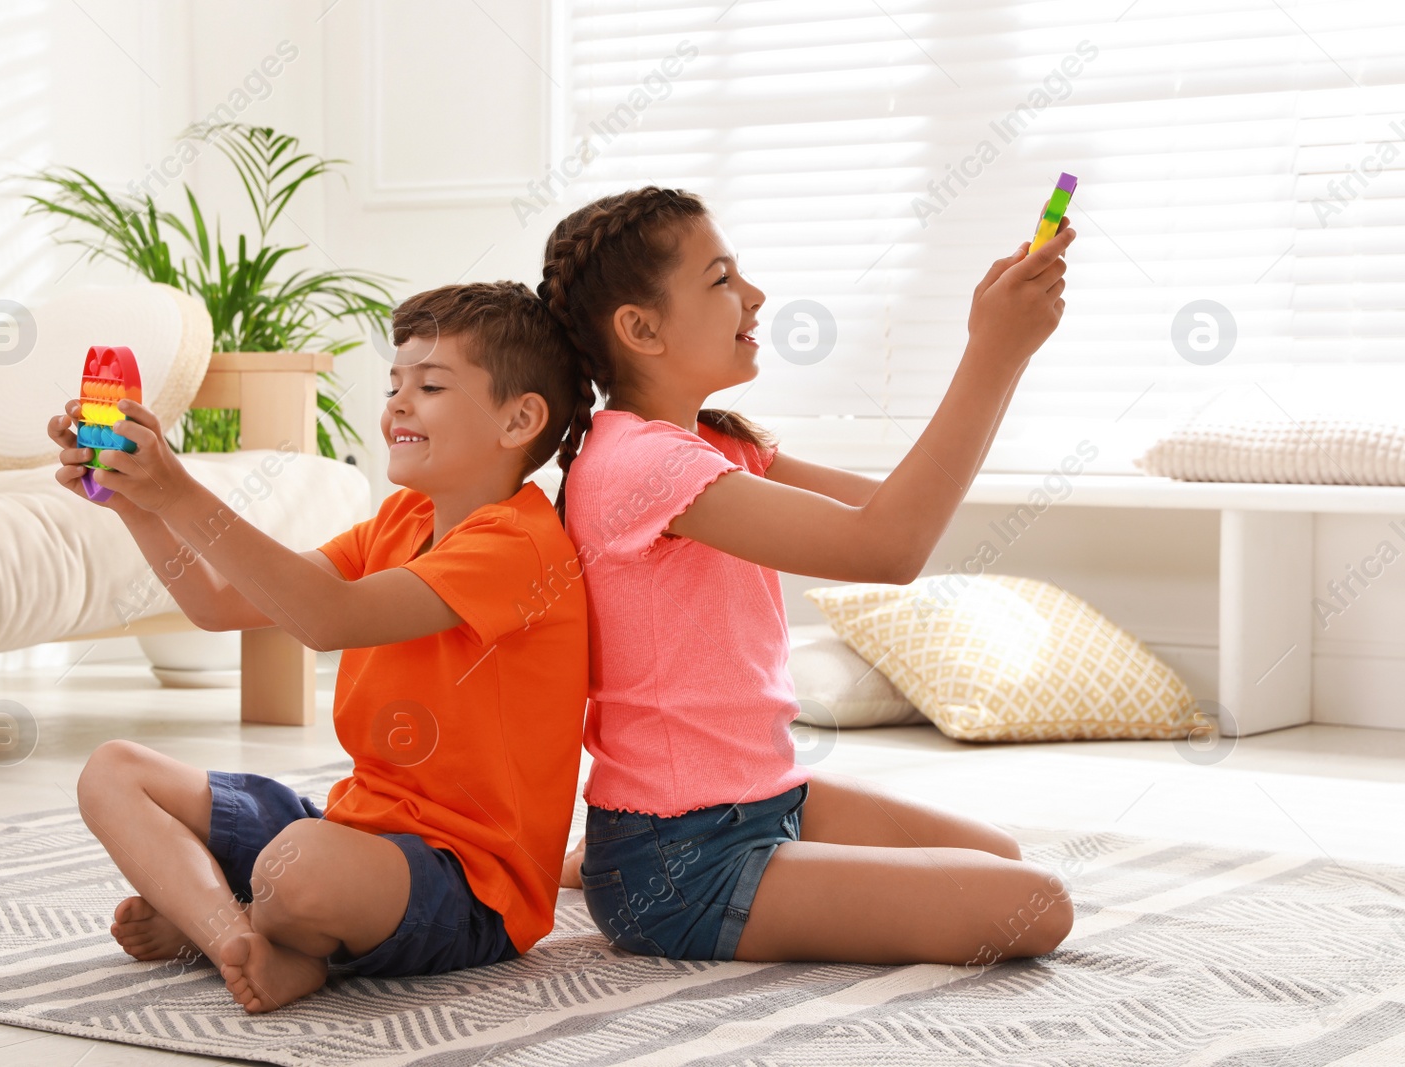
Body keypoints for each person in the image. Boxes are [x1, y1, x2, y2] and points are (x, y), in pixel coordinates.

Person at [541, 186, 1077, 968]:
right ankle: (616, 866)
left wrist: (1000, 346)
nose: (754, 296)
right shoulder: (637, 464)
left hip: (767, 799)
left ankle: (598, 859)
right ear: (639, 327)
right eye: (722, 279)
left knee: (1002, 857)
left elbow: (897, 511)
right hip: (686, 859)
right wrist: (994, 352)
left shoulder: (714, 445)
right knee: (1036, 904)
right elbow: (888, 549)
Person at [52, 281, 587, 1012]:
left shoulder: (519, 546)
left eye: (430, 385)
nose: (397, 402)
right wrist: (137, 499)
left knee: (294, 869)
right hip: (354, 826)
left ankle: (229, 922)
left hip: (471, 882)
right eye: (396, 382)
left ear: (520, 418)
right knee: (113, 771)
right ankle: (237, 937)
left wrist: (175, 486)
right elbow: (218, 603)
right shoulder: (399, 520)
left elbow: (327, 617)